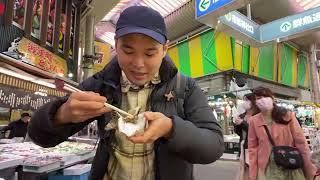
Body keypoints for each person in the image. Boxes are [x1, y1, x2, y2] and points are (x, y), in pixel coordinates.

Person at [28, 6, 224, 180]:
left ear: (165, 49)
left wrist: (171, 129)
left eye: (149, 53)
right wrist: (63, 115)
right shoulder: (101, 84)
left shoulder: (185, 87)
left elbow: (213, 147)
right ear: (116, 45)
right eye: (128, 51)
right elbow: (39, 136)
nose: (138, 64)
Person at [248, 87, 316, 180]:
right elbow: (252, 148)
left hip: (289, 164)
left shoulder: (287, 115)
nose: (262, 100)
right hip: (267, 167)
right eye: (258, 98)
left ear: (272, 98)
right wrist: (253, 172)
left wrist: (309, 168)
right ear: (255, 102)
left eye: (265, 96)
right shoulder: (254, 120)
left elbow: (301, 142)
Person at [234, 93, 260, 180]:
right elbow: (239, 133)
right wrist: (237, 124)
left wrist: (242, 123)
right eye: (244, 100)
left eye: (247, 100)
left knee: (253, 170)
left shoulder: (258, 116)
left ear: (253, 101)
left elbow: (255, 132)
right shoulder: (242, 116)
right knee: (244, 169)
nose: (244, 102)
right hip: (243, 146)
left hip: (254, 147)